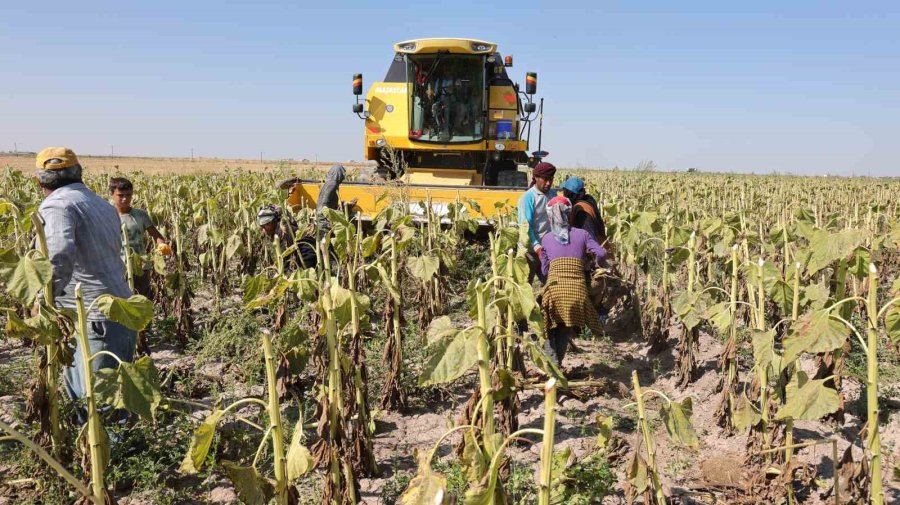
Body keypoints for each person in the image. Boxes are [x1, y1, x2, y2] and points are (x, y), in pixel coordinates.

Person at [34, 147, 136, 402]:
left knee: (96, 405)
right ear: (79, 173)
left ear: (39, 181)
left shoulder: (57, 206)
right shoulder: (101, 203)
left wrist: (43, 300)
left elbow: (58, 257)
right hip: (118, 310)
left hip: (92, 317)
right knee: (115, 399)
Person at [539, 196, 607, 367]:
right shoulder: (582, 235)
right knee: (564, 328)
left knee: (545, 328)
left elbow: (545, 271)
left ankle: (553, 364)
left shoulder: (546, 239)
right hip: (577, 293)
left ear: (550, 217)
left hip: (554, 292)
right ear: (569, 215)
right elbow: (602, 253)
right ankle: (557, 364)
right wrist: (597, 265)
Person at [108, 177, 171, 298]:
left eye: (128, 195)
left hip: (141, 265)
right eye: (120, 195)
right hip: (117, 266)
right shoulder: (107, 215)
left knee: (142, 298)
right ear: (112, 194)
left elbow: (156, 235)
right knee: (120, 300)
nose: (125, 199)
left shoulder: (140, 215)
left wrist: (162, 245)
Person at [517, 162, 558, 283]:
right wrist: (536, 247)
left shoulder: (553, 195)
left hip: (547, 249)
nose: (548, 183)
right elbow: (526, 226)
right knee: (525, 286)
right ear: (535, 178)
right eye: (545, 179)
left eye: (551, 179)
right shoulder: (528, 198)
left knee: (551, 284)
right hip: (529, 251)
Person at [257, 204, 318, 271]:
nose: (264, 229)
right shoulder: (271, 234)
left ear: (275, 220)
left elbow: (306, 250)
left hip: (307, 258)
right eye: (262, 226)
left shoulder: (286, 231)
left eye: (267, 224)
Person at [559, 177, 606, 246]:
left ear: (573, 195)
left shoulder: (582, 211)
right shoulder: (588, 200)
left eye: (566, 192)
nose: (565, 196)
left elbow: (590, 238)